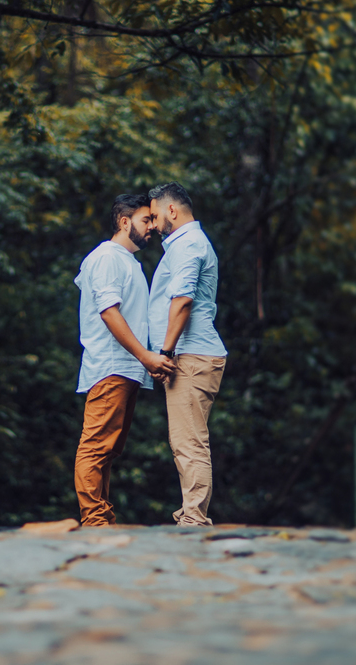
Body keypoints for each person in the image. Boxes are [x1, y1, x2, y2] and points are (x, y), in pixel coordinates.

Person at [73, 194, 177, 527]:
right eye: (146, 220)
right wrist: (146, 356)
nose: (152, 227)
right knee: (95, 447)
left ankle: (101, 517)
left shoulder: (128, 262)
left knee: (108, 450)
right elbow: (107, 312)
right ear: (124, 222)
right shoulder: (107, 258)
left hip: (128, 368)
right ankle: (95, 522)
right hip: (111, 366)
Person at [147, 182, 227, 526]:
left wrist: (165, 352)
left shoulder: (187, 244)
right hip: (193, 354)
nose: (151, 224)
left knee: (189, 442)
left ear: (172, 211)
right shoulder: (187, 243)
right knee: (186, 440)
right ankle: (191, 514)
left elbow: (182, 300)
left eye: (154, 216)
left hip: (190, 356)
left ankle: (194, 520)